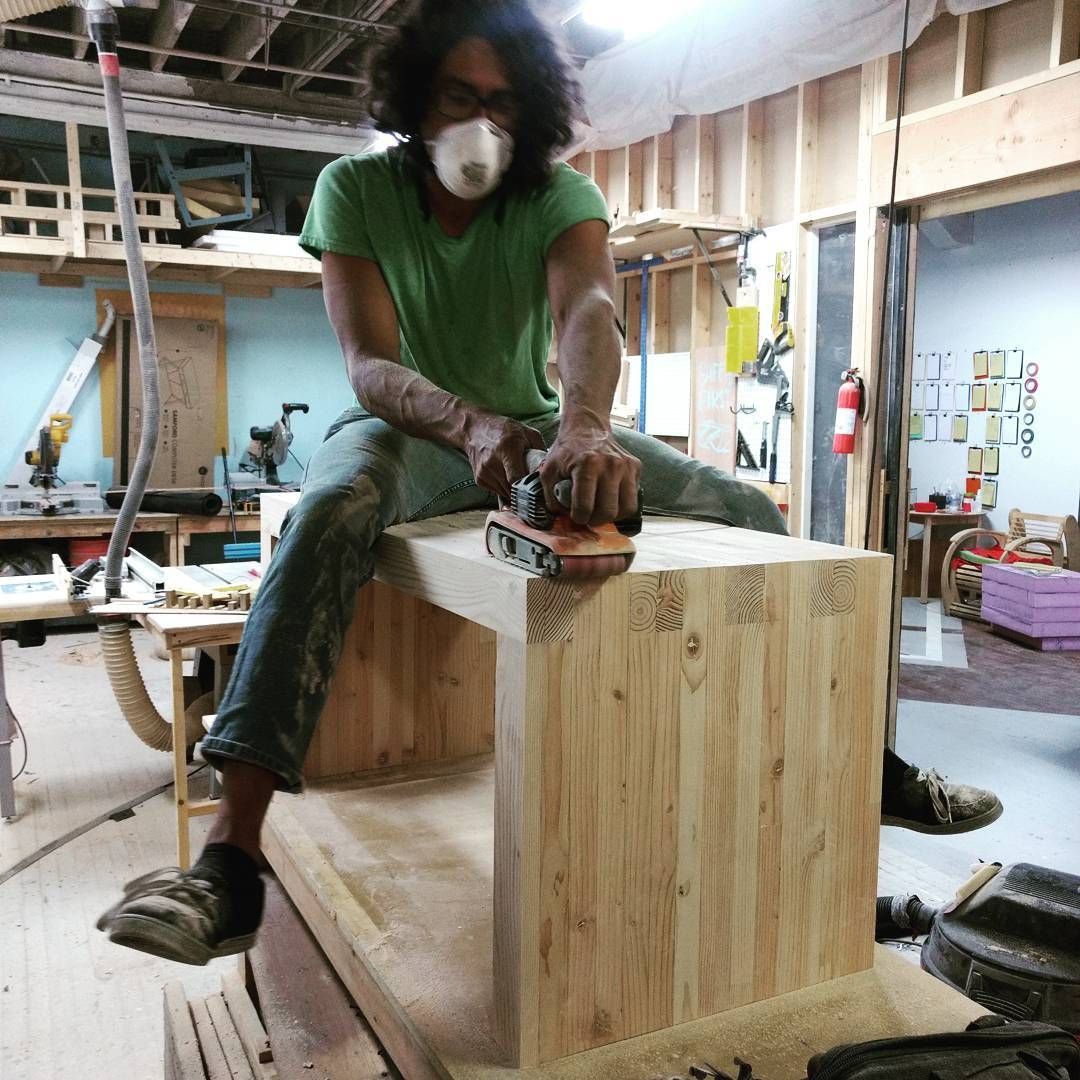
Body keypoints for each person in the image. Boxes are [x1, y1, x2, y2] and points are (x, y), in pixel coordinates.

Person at [97, 0, 1001, 967]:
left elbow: (590, 308)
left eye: (502, 102)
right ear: (417, 96)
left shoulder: (556, 194)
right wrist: (463, 421)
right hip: (407, 431)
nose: (481, 123)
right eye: (459, 95)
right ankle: (231, 865)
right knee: (329, 511)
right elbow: (368, 364)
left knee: (744, 504)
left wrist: (581, 426)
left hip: (537, 431)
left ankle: (867, 766)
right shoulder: (354, 188)